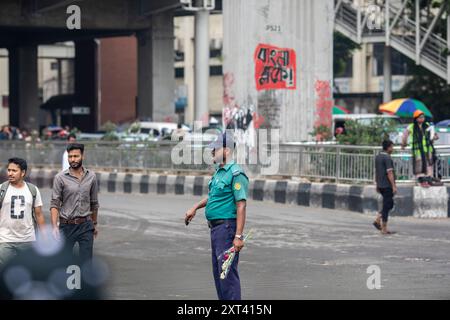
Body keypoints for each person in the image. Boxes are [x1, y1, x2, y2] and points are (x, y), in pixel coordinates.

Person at [184, 132, 249, 300]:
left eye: (215, 149)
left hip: (227, 229)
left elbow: (241, 205)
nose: (212, 152)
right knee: (219, 273)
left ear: (226, 150)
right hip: (216, 230)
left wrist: (238, 236)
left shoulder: (236, 174)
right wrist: (195, 207)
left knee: (227, 274)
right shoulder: (219, 172)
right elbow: (214, 197)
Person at [51, 143, 99, 262]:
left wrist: (94, 223)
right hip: (66, 225)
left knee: (86, 262)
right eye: (70, 156)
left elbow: (94, 203)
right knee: (63, 261)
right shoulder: (60, 178)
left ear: (83, 156)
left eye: (76, 156)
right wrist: (54, 227)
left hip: (86, 226)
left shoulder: (91, 177)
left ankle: (84, 281)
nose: (73, 159)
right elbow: (55, 204)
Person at [0, 158, 45, 269]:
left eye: (14, 171)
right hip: (6, 240)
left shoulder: (32, 190)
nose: (10, 173)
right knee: (4, 272)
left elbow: (39, 214)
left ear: (23, 173)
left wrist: (44, 236)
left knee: (29, 271)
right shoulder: (2, 189)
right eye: (9, 170)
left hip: (28, 240)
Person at [401, 110, 439, 187]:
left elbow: (435, 136)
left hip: (428, 149)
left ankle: (429, 180)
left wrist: (434, 137)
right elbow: (404, 137)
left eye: (423, 117)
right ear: (416, 118)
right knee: (419, 165)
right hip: (417, 150)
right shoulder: (411, 127)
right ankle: (421, 181)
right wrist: (403, 144)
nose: (422, 118)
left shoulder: (427, 125)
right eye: (420, 117)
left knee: (429, 164)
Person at [374, 140, 397, 235]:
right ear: (388, 148)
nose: (393, 149)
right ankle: (383, 227)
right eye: (392, 147)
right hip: (387, 185)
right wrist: (393, 186)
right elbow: (390, 173)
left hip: (380, 184)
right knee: (387, 206)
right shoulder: (387, 158)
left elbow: (376, 171)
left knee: (389, 204)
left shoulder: (378, 157)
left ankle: (378, 218)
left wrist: (377, 184)